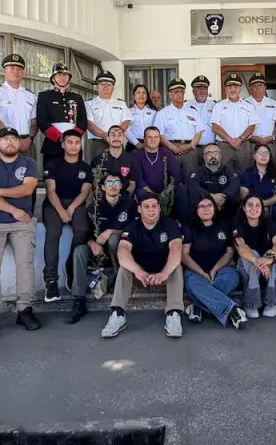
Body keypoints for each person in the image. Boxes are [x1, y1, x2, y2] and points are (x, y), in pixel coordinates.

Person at [0, 128, 40, 341]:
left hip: (22, 225)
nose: (10, 143)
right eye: (5, 139)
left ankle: (25, 310)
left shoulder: (28, 163)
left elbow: (26, 190)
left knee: (25, 265)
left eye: (14, 139)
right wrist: (14, 210)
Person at [100, 194, 184, 338]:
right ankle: (118, 314)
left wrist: (164, 273)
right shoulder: (132, 227)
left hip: (163, 274)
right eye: (146, 207)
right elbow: (122, 251)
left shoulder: (169, 224)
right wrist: (138, 271)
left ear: (159, 208)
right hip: (139, 276)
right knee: (124, 268)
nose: (151, 210)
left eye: (154, 206)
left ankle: (173, 314)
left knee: (176, 268)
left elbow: (176, 249)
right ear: (139, 209)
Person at [67, 173, 133, 324]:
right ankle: (79, 300)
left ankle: (118, 280)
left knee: (114, 239)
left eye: (117, 182)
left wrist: (112, 231)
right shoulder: (95, 207)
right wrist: (92, 243)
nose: (113, 185)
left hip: (122, 250)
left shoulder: (129, 203)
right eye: (109, 183)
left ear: (121, 186)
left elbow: (135, 229)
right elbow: (87, 234)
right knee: (79, 251)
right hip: (99, 251)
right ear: (103, 187)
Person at [42, 130, 93, 303]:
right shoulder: (53, 164)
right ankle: (51, 281)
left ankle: (71, 269)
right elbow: (50, 191)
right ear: (63, 144)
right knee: (53, 233)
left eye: (76, 142)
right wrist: (62, 211)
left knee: (82, 229)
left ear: (81, 145)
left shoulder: (85, 167)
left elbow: (85, 192)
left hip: (76, 203)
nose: (73, 146)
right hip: (54, 203)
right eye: (69, 142)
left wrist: (71, 208)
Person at [182, 196, 247, 329]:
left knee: (232, 276)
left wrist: (215, 269)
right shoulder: (189, 226)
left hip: (221, 270)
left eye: (209, 206)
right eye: (202, 206)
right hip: (196, 271)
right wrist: (201, 272)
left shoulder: (224, 225)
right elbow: (183, 254)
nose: (206, 209)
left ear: (215, 208)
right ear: (196, 210)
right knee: (193, 283)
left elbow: (229, 252)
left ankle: (198, 306)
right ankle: (233, 310)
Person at [233, 194, 276, 318]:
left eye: (258, 205)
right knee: (252, 254)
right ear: (244, 208)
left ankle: (271, 302)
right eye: (250, 205)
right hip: (248, 270)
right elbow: (241, 247)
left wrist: (268, 259)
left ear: (262, 209)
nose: (254, 208)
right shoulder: (238, 224)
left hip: (269, 270)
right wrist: (258, 261)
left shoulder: (269, 223)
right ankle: (251, 303)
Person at [0, 55, 37, 157]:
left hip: (26, 144)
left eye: (19, 69)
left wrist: (29, 139)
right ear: (5, 72)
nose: (16, 72)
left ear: (23, 73)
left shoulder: (30, 95)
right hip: (6, 143)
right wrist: (10, 139)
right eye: (12, 68)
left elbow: (34, 122)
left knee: (29, 172)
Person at [37, 62, 88, 162]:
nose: (62, 77)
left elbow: (83, 121)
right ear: (53, 78)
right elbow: (42, 121)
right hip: (52, 145)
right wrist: (60, 138)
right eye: (59, 75)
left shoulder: (77, 98)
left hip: (74, 144)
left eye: (65, 75)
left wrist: (72, 138)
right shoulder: (44, 96)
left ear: (69, 78)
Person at [210, 73, 260, 173]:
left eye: (236, 86)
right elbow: (215, 126)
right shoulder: (218, 106)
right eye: (230, 86)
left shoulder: (248, 106)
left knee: (245, 173)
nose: (233, 89)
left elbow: (252, 126)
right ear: (225, 88)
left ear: (240, 88)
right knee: (223, 173)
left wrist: (240, 139)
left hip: (243, 145)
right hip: (224, 146)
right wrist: (230, 140)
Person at [156, 78, 204, 179]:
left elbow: (198, 132)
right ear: (170, 94)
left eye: (181, 92)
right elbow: (160, 134)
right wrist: (171, 147)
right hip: (171, 151)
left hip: (190, 151)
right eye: (176, 92)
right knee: (172, 180)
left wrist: (191, 145)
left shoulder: (192, 111)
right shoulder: (163, 113)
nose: (179, 94)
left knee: (192, 179)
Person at [86, 70, 132, 163]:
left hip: (117, 141)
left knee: (119, 169)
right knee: (97, 170)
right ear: (97, 87)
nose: (105, 86)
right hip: (98, 142)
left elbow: (126, 121)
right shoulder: (89, 103)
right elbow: (89, 124)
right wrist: (105, 135)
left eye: (109, 84)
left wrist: (115, 135)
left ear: (113, 88)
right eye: (102, 84)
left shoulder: (121, 103)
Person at [187, 143, 241, 221]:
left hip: (225, 208)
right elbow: (192, 186)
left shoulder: (228, 171)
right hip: (203, 209)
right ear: (204, 157)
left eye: (216, 153)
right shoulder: (197, 172)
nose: (213, 156)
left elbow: (235, 184)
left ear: (220, 156)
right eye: (209, 153)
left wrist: (224, 196)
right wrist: (211, 197)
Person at [132, 126, 183, 204]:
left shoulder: (167, 153)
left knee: (181, 190)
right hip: (145, 191)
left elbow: (176, 176)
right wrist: (153, 195)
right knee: (140, 192)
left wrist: (165, 192)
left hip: (166, 191)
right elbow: (138, 179)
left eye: (156, 137)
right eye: (150, 137)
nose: (153, 140)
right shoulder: (136, 154)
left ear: (159, 139)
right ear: (144, 139)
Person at [238, 144, 276, 211]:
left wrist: (264, 203)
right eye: (260, 153)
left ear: (270, 157)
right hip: (252, 207)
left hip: (271, 208)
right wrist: (257, 205)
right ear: (254, 156)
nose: (263, 155)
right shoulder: (247, 173)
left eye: (266, 153)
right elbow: (244, 194)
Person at [94, 125, 139, 195]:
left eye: (119, 135)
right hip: (104, 201)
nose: (116, 138)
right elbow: (95, 184)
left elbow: (132, 184)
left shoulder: (132, 159)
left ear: (123, 138)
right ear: (108, 138)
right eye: (113, 135)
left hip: (125, 200)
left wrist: (123, 198)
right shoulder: (98, 160)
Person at [247, 73, 276, 162]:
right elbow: (241, 126)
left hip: (270, 142)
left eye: (261, 85)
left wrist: (272, 137)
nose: (258, 88)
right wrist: (252, 138)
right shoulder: (244, 104)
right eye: (255, 85)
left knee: (272, 168)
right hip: (251, 143)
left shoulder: (273, 103)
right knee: (252, 168)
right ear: (250, 88)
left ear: (265, 87)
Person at [188, 75, 218, 161]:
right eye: (198, 88)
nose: (202, 90)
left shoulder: (215, 105)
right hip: (192, 148)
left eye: (204, 88)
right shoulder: (186, 105)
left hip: (211, 148)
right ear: (193, 90)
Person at [126, 84, 158, 151]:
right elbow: (126, 130)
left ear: (147, 96)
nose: (141, 95)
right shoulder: (128, 112)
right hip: (133, 145)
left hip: (150, 144)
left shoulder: (153, 112)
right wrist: (137, 143)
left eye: (144, 92)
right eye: (138, 92)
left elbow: (156, 129)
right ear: (134, 96)